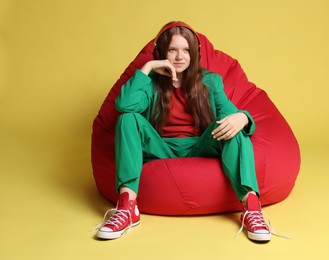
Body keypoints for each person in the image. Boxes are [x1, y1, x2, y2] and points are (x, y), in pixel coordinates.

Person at [94, 21, 272, 242]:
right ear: (161, 52)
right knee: (127, 119)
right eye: (172, 50)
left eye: (186, 50)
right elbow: (124, 105)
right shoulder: (149, 82)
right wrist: (148, 68)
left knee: (233, 125)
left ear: (195, 53)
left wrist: (243, 117)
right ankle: (127, 208)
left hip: (201, 145)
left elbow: (230, 115)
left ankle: (252, 208)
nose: (180, 57)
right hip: (160, 146)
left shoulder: (211, 81)